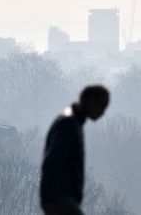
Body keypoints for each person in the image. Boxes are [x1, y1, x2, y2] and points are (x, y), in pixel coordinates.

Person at [40, 85, 110, 215]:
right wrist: (47, 199)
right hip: (61, 198)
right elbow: (51, 161)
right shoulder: (69, 124)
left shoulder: (71, 121)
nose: (102, 112)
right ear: (90, 101)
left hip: (62, 198)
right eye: (101, 106)